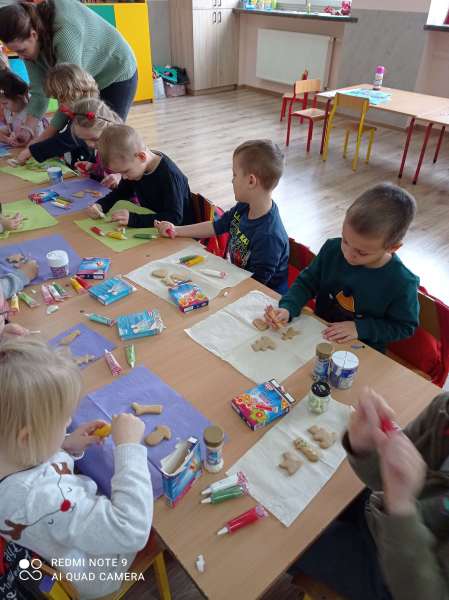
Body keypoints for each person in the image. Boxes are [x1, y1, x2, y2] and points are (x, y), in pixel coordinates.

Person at [0, 337, 153, 599]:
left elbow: (33, 466)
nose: (69, 421)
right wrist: (129, 448)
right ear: (28, 437)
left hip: (54, 539)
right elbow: (131, 529)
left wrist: (65, 444)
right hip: (97, 570)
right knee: (162, 521)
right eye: (63, 421)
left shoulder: (11, 453)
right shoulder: (42, 499)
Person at [290, 386, 449, 600]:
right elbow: (388, 479)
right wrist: (365, 450)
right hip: (382, 516)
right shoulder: (443, 411)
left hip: (399, 579)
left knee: (288, 543)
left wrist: (401, 508)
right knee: (299, 502)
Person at [265, 183, 419, 352]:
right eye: (345, 240)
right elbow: (307, 282)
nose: (348, 254)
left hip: (362, 349)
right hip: (318, 332)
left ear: (392, 247)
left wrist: (360, 328)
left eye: (362, 252)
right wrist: (288, 307)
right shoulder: (332, 249)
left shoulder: (401, 283)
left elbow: (404, 327)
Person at [0, 0, 137, 162]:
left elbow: (72, 104)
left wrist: (38, 145)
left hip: (115, 73)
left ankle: (112, 173)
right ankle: (91, 170)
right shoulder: (29, 42)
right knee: (80, 143)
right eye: (15, 51)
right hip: (81, 83)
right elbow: (39, 91)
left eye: (21, 50)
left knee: (104, 138)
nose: (20, 56)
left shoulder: (65, 31)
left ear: (34, 35)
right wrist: (27, 129)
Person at [156, 139, 289, 294]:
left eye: (235, 175)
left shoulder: (269, 236)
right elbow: (216, 226)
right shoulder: (245, 206)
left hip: (261, 297)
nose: (232, 180)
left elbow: (255, 285)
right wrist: (176, 230)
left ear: (251, 181)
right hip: (236, 279)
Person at [87, 124, 194, 227]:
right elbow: (121, 192)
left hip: (178, 232)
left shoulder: (169, 176)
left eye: (125, 171)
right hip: (154, 224)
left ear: (142, 157)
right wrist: (101, 205)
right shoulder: (137, 165)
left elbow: (174, 217)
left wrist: (134, 219)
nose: (123, 177)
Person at [19, 63, 100, 169]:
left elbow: (69, 139)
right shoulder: (80, 110)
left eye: (61, 99)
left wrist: (33, 151)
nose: (60, 106)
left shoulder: (90, 115)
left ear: (76, 94)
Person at [70, 97, 123, 189]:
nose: (90, 144)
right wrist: (93, 167)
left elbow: (141, 172)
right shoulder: (102, 146)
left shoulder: (124, 147)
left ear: (108, 127)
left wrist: (119, 177)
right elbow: (105, 170)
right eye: (84, 139)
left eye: (95, 139)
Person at [0, 68, 47, 146]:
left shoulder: (32, 114)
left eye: (5, 103)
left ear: (20, 97)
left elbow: (39, 138)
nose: (2, 107)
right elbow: (10, 129)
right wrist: (7, 139)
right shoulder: (8, 111)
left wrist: (21, 142)